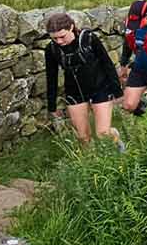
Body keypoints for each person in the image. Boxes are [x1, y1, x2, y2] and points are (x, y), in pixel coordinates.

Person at [44, 12, 125, 151]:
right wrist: (52, 105)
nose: (59, 41)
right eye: (54, 38)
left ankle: (117, 141)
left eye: (62, 36)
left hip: (100, 88)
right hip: (74, 92)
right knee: (83, 137)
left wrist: (118, 92)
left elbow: (107, 64)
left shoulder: (89, 39)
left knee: (103, 133)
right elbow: (51, 76)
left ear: (71, 27)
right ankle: (92, 165)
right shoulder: (51, 49)